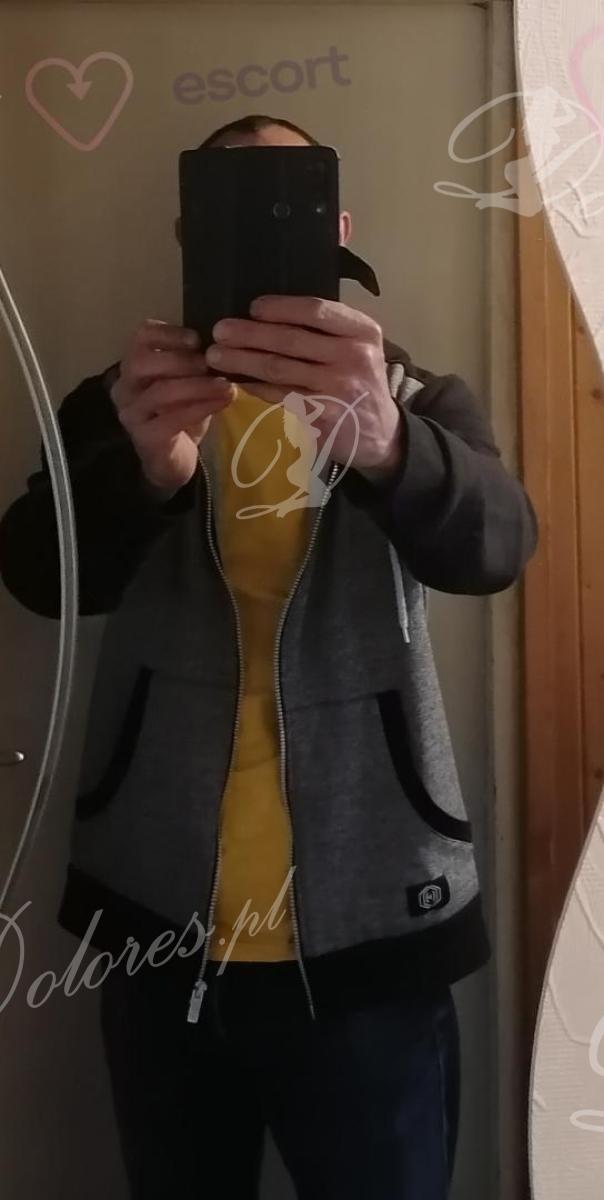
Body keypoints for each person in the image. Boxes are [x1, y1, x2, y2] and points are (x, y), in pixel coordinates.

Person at [0, 113, 538, 1200]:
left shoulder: (413, 399)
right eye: (229, 203)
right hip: (161, 928)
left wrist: (388, 444)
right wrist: (142, 473)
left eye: (291, 198)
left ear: (336, 228)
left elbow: (496, 551)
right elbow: (36, 578)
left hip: (372, 926)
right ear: (187, 233)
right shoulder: (127, 400)